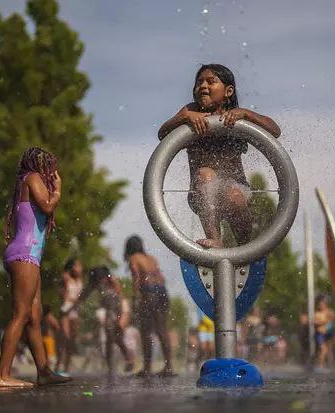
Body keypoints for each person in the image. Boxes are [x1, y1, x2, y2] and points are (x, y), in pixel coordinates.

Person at [158, 63, 281, 248]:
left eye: (211, 81)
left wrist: (246, 114)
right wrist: (184, 117)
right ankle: (215, 239)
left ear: (228, 91)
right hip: (202, 193)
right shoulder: (190, 113)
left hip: (236, 188)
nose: (203, 86)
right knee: (205, 174)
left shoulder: (235, 116)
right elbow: (163, 134)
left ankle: (246, 248)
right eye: (199, 83)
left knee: (234, 196)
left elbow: (274, 130)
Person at [0, 146, 70, 388]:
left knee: (34, 318)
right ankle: (2, 375)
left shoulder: (25, 182)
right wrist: (57, 191)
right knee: (21, 314)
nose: (51, 173)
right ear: (40, 166)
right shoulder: (32, 177)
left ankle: (44, 371)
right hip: (24, 255)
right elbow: (47, 205)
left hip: (28, 256)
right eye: (49, 168)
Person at [125, 235, 174, 377]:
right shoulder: (151, 259)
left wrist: (135, 298)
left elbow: (136, 277)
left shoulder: (134, 258)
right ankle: (169, 367)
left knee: (145, 332)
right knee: (162, 330)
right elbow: (161, 278)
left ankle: (147, 368)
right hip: (162, 292)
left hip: (149, 293)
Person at [88, 266, 135, 374]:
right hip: (110, 312)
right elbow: (103, 300)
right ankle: (112, 367)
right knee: (110, 339)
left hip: (119, 311)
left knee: (118, 338)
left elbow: (119, 295)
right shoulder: (100, 285)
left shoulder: (112, 280)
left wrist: (122, 316)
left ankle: (128, 360)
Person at [56, 257, 84, 374]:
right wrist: (64, 296)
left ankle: (66, 369)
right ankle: (58, 367)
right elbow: (58, 288)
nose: (79, 269)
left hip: (75, 312)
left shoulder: (80, 281)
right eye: (77, 266)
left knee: (72, 341)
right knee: (65, 338)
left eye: (80, 266)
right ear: (72, 267)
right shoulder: (66, 277)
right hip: (65, 311)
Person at [314, 295, 331, 370]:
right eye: (321, 305)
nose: (322, 306)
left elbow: (332, 320)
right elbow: (314, 322)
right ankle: (320, 366)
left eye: (323, 304)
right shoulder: (317, 314)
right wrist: (322, 322)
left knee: (325, 350)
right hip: (319, 334)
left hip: (326, 334)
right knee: (324, 350)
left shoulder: (327, 312)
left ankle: (323, 365)